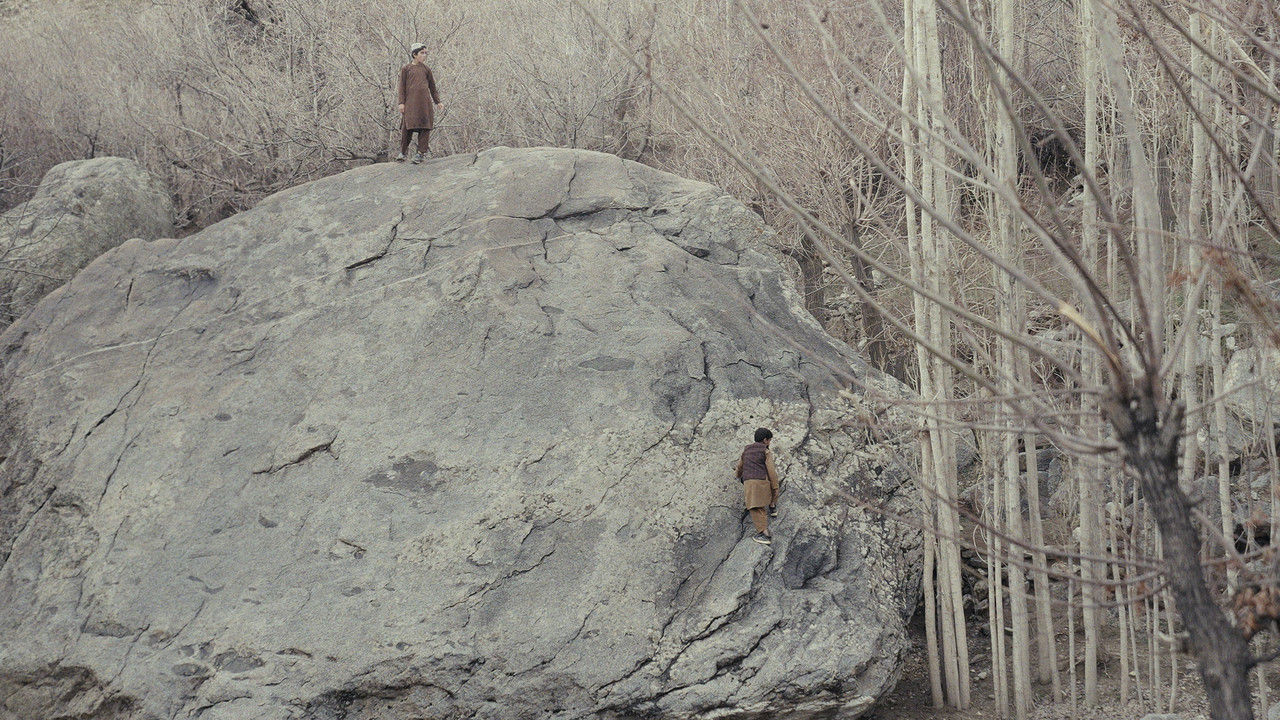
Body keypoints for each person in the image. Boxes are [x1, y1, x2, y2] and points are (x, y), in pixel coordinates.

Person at [396, 43, 443, 164]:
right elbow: (401, 87)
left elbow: (432, 87)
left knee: (425, 127)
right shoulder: (406, 69)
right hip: (410, 103)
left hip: (424, 104)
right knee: (407, 127)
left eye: (425, 53)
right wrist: (401, 103)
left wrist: (438, 101)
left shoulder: (426, 70)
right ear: (414, 54)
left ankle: (420, 153)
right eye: (422, 53)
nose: (424, 55)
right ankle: (403, 152)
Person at [735, 428, 780, 545]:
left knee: (755, 506)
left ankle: (764, 532)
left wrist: (738, 476)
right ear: (765, 440)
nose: (769, 443)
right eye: (769, 440)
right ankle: (772, 508)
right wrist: (775, 486)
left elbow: (739, 467)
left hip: (749, 481)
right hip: (762, 480)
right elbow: (771, 470)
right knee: (771, 490)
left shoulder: (746, 450)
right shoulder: (765, 451)